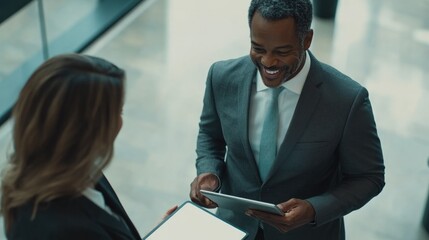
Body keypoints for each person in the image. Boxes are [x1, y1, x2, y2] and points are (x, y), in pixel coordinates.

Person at [189, 0, 385, 239]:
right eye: (258, 48)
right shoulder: (221, 77)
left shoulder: (348, 100)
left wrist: (314, 209)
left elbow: (369, 177)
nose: (268, 62)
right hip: (235, 229)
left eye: (282, 52)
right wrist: (210, 171)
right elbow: (211, 136)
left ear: (307, 40)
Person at [0, 53, 175, 239]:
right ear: (85, 132)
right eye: (118, 111)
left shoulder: (80, 169)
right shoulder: (61, 231)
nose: (120, 122)